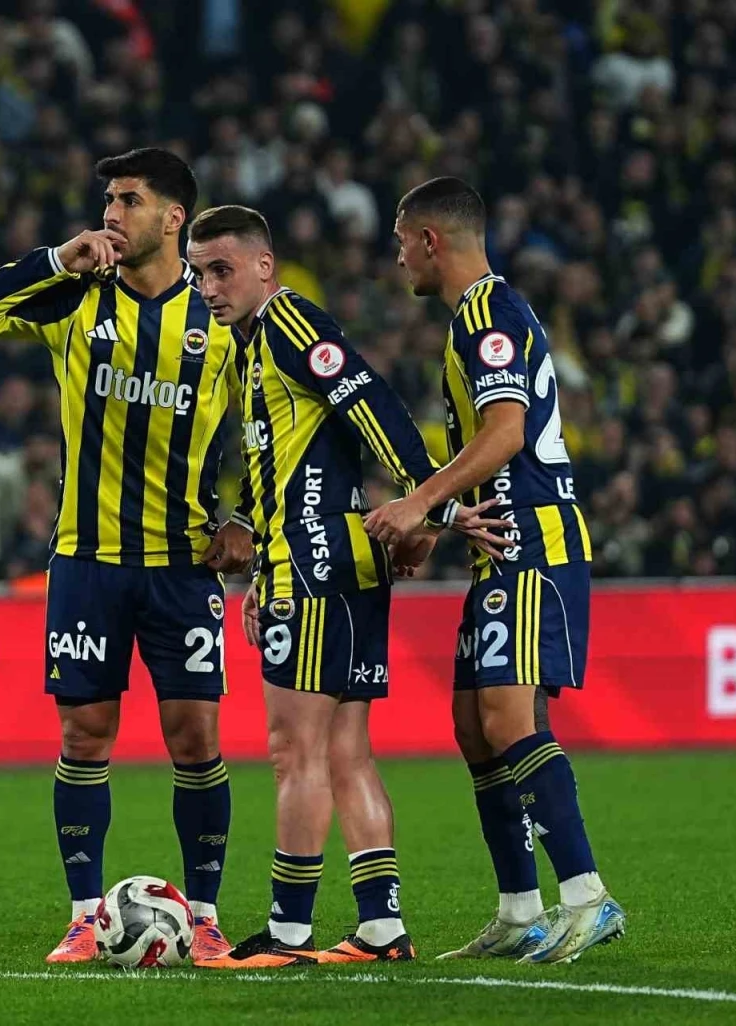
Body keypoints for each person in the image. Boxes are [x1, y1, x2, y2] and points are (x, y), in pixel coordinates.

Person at [0, 149, 254, 964]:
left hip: (183, 562)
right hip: (87, 558)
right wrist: (57, 259)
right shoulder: (78, 296)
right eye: (109, 199)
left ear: (174, 218)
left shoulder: (220, 317)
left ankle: (207, 917)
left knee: (195, 738)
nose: (112, 213)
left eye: (129, 199)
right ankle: (86, 915)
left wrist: (248, 520)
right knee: (85, 735)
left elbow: (270, 426)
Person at [185, 204, 508, 969]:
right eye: (198, 275)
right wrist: (257, 546)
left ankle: (288, 934)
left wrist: (430, 503)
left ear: (265, 266)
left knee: (292, 751)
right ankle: (381, 927)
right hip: (338, 564)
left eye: (222, 270)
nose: (208, 288)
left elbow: (372, 403)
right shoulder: (250, 348)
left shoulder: (291, 324)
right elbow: (283, 464)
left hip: (315, 566)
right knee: (344, 751)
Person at [365, 177, 625, 965]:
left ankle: (587, 895)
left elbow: (507, 432)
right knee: (475, 728)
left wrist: (419, 502)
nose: (398, 257)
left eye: (402, 241)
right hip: (500, 548)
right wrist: (441, 522)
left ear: (431, 240)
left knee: (512, 721)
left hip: (535, 546)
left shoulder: (488, 315)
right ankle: (520, 911)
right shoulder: (476, 318)